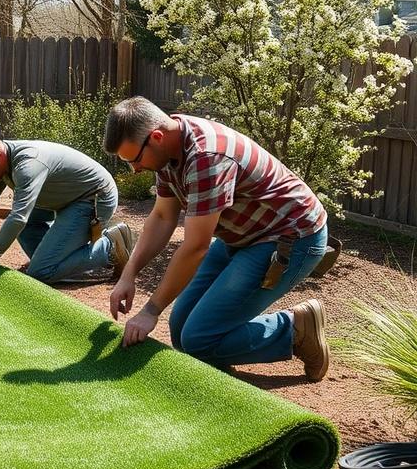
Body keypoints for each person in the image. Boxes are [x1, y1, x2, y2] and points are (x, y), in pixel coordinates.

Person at [102, 96, 331, 381]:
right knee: (183, 331)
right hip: (242, 235)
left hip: (290, 238)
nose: (134, 169)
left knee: (199, 340)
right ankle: (225, 349)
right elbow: (162, 217)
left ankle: (294, 328)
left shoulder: (206, 157)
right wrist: (128, 275)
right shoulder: (169, 151)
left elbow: (196, 247)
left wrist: (150, 310)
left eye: (134, 160)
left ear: (157, 137)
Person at [0, 131, 135, 283]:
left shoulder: (27, 165)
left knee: (41, 272)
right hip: (65, 199)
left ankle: (110, 245)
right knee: (39, 251)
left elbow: (18, 217)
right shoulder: (1, 162)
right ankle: (55, 258)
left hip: (93, 199)